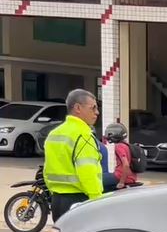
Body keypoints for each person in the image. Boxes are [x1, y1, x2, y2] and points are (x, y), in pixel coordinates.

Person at [43, 89, 104, 221]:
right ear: (77, 108)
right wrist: (97, 200)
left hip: (57, 200)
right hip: (79, 201)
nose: (97, 112)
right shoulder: (83, 135)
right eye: (93, 108)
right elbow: (87, 171)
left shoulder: (54, 134)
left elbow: (47, 169)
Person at [104, 122, 137, 189]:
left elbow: (126, 165)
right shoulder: (127, 145)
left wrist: (121, 182)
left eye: (109, 134)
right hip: (132, 177)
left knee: (97, 179)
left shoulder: (119, 146)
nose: (108, 136)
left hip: (120, 176)